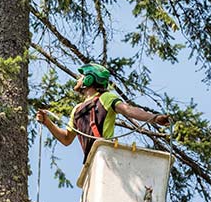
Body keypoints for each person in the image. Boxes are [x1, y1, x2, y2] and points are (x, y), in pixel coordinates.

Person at [36, 63, 169, 163]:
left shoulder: (105, 98)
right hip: (90, 162)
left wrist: (154, 118)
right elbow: (66, 138)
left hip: (105, 154)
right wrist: (47, 122)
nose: (78, 79)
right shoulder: (77, 109)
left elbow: (128, 110)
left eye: (81, 77)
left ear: (89, 79)